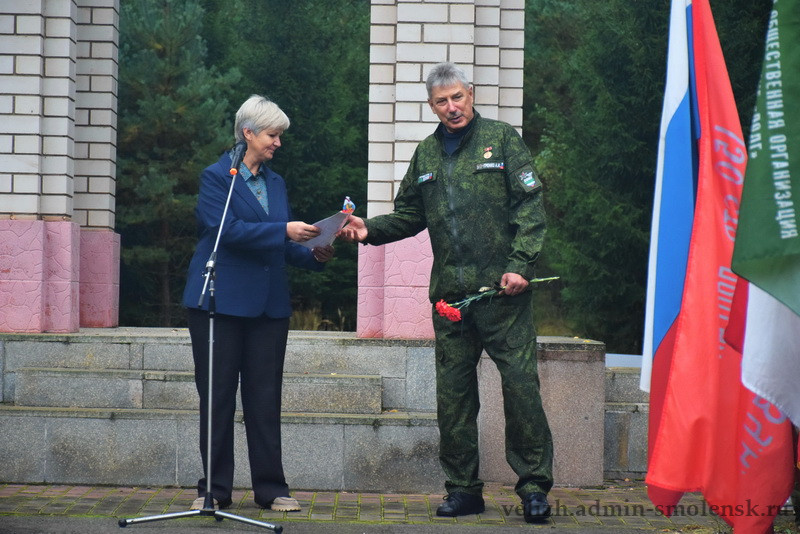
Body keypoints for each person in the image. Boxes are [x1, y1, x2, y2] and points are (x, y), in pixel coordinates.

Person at [338, 62, 553, 523]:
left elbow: (530, 205)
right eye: (442, 101)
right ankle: (463, 490)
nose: (452, 107)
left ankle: (534, 487)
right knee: (453, 399)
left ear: (470, 94)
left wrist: (521, 265)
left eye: (458, 97)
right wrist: (368, 229)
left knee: (520, 390)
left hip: (504, 297)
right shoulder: (426, 154)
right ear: (431, 106)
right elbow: (408, 215)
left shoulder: (502, 139)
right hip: (451, 301)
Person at [182, 94, 333, 512]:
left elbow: (282, 244)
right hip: (219, 302)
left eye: (279, 135)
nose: (278, 143)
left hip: (269, 306)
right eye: (272, 135)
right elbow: (226, 230)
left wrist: (316, 252)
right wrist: (284, 230)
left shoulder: (275, 182)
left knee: (265, 400)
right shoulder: (217, 177)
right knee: (217, 398)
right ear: (248, 133)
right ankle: (214, 491)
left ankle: (271, 489)